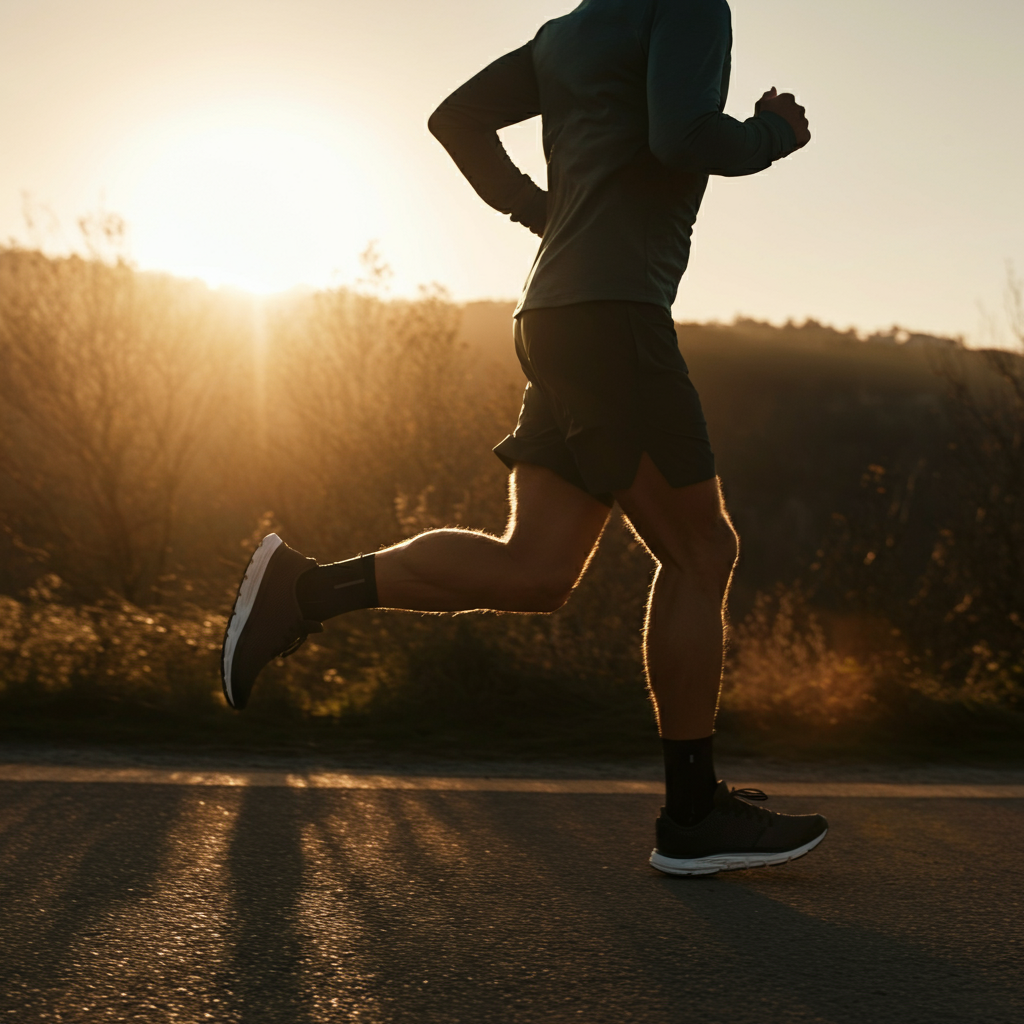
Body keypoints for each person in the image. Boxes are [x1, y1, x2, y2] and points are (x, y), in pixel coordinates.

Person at [221, 0, 828, 876]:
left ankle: (303, 591)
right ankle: (694, 815)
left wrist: (542, 215)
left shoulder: (569, 33)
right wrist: (772, 133)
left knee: (537, 568)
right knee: (701, 551)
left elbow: (454, 119)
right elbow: (684, 138)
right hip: (616, 320)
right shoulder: (688, 6)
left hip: (553, 314)